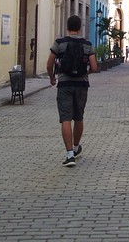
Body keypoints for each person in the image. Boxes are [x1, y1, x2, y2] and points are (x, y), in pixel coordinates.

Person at [46, 15, 98, 167]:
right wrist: (84, 74)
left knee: (66, 118)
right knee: (79, 117)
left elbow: (49, 64)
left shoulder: (59, 43)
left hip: (64, 85)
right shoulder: (87, 45)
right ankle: (76, 147)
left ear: (67, 27)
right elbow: (94, 67)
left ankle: (69, 155)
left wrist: (52, 78)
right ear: (80, 27)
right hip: (82, 86)